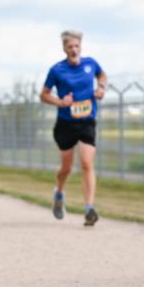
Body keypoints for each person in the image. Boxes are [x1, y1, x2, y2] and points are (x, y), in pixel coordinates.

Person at [40, 30, 107, 226]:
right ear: (64, 49)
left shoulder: (91, 64)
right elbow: (43, 95)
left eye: (76, 46)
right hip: (65, 123)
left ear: (81, 47)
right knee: (66, 168)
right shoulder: (57, 70)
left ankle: (89, 208)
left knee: (87, 163)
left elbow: (102, 75)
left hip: (87, 120)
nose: (74, 49)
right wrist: (60, 102)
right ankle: (59, 193)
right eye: (70, 47)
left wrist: (101, 88)